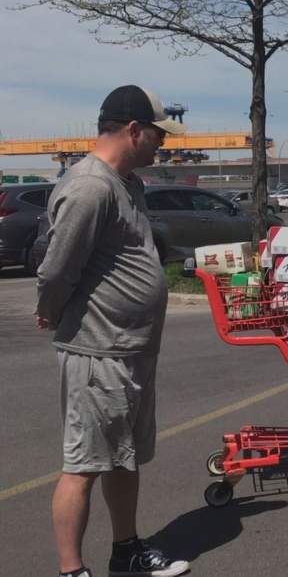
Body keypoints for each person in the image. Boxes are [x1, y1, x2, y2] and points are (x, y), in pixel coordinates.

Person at [36, 86, 191, 577]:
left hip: (130, 348)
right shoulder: (90, 186)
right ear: (132, 130)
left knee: (124, 458)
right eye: (157, 135)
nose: (162, 144)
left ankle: (127, 551)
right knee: (83, 464)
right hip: (97, 349)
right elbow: (57, 268)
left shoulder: (128, 184)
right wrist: (50, 308)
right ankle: (70, 570)